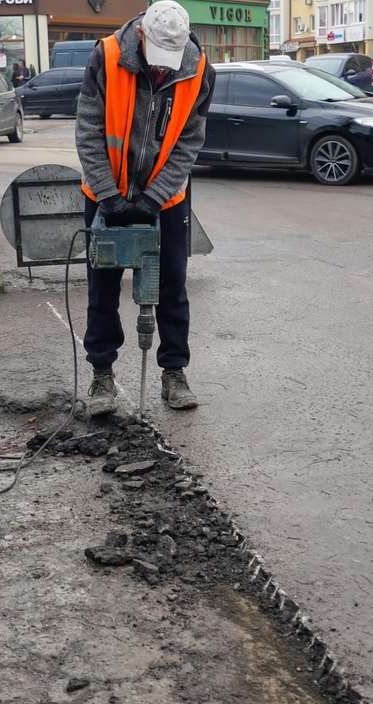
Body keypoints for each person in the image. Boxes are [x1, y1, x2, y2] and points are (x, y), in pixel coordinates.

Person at [76, 0, 215, 416]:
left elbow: (190, 141)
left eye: (167, 65)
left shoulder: (197, 68)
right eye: (156, 62)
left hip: (166, 199)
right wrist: (108, 195)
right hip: (106, 194)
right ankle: (102, 375)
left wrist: (155, 197)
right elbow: (88, 130)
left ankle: (174, 374)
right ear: (141, 35)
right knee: (102, 290)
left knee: (172, 287)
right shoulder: (107, 56)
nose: (161, 72)